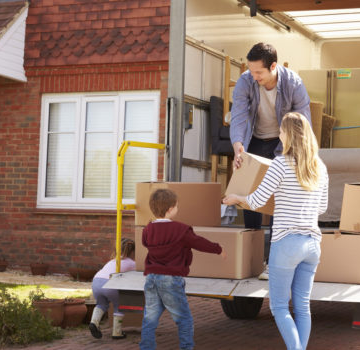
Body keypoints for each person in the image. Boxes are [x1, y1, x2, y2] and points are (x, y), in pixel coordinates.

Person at [223, 112, 328, 350]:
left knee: (279, 306)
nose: (279, 135)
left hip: (286, 242)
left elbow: (258, 199)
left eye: (281, 131)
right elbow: (321, 207)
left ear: (289, 135)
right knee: (302, 305)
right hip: (312, 244)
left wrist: (236, 198)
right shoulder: (320, 167)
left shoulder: (280, 164)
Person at [230, 42, 312, 280]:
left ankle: (274, 263)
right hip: (254, 141)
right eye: (251, 71)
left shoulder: (293, 83)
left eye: (259, 72)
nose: (253, 76)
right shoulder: (246, 81)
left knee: (280, 199)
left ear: (273, 67)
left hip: (283, 143)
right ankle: (252, 259)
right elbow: (239, 115)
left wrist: (295, 155)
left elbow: (302, 121)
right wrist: (238, 147)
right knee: (251, 197)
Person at [139, 189, 226, 350]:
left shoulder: (148, 229)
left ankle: (146, 347)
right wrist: (218, 249)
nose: (178, 209)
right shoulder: (180, 230)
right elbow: (199, 242)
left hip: (151, 278)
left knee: (149, 319)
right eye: (177, 206)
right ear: (170, 209)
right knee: (184, 319)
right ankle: (186, 347)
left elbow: (145, 243)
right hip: (171, 279)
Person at [89, 237, 136, 340]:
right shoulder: (132, 263)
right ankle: (117, 332)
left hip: (96, 282)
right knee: (119, 306)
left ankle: (94, 322)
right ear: (132, 251)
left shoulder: (112, 261)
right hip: (111, 283)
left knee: (101, 304)